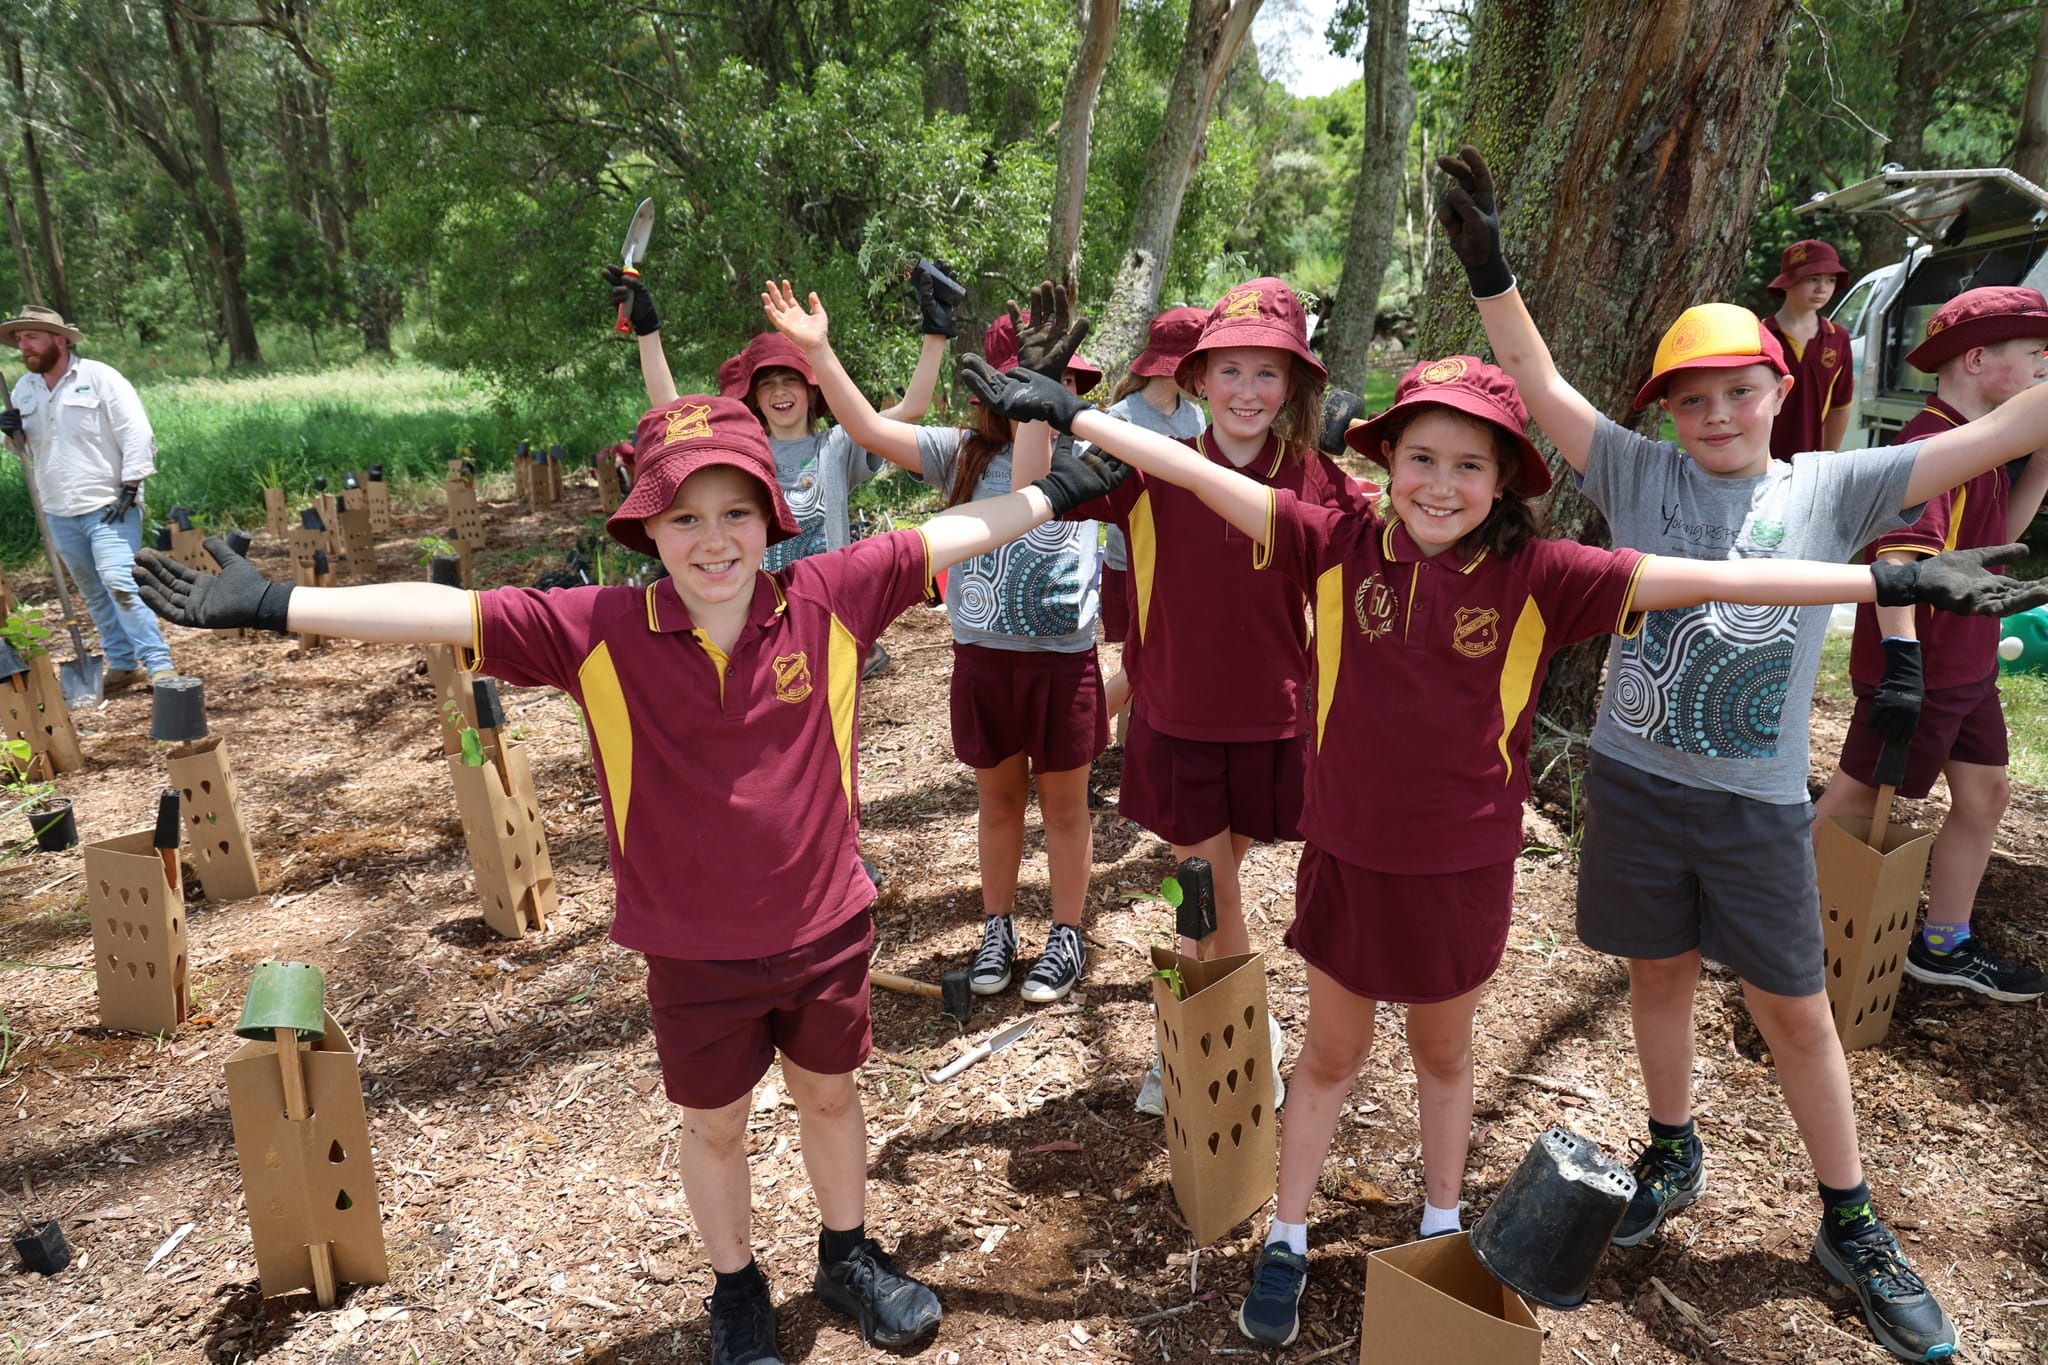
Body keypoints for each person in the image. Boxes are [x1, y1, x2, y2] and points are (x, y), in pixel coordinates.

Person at [958, 347, 2039, 1352]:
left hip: (1461, 874)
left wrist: (1887, 585)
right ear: (1382, 466)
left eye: (1466, 465)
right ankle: (1284, 1236)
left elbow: (1712, 578)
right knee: (1330, 1058)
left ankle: (1441, 1229)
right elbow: (1195, 478)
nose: (1438, 484)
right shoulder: (1329, 543)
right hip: (1345, 859)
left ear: (1504, 481)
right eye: (1418, 459)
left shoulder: (1546, 577)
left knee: (1440, 1056)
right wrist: (1073, 412)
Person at [132, 392, 1133, 1365]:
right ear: (646, 529)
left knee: (830, 1100)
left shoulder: (828, 596)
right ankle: (736, 1287)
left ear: (768, 518)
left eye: (734, 512)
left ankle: (846, 1254)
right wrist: (277, 603)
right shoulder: (601, 630)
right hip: (692, 950)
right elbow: (448, 611)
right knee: (715, 1126)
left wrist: (1057, 490)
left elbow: (952, 533)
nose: (712, 540)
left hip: (825, 930)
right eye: (683, 517)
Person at [1438, 144, 2048, 1363]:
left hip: (1757, 807)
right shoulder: (1632, 468)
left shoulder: (1835, 486)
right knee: (1655, 976)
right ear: (1664, 408)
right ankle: (1670, 1145)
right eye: (1691, 396)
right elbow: (1533, 378)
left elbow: (2006, 430)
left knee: (1795, 1010)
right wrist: (1491, 269)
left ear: (1779, 390)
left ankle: (1849, 1218)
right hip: (1633, 784)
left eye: (1739, 391)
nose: (1716, 415)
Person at [762, 278, 1107, 1005]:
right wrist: (819, 353)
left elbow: (1036, 486)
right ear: (987, 391)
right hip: (985, 661)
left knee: (1067, 808)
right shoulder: (959, 454)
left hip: (1062, 661)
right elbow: (865, 429)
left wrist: (1046, 398)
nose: (1037, 398)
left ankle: (1067, 931)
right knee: (1000, 803)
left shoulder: (1090, 454)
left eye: (1054, 381)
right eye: (1022, 383)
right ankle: (999, 925)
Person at [1813, 286, 2048, 1002]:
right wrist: (1904, 668)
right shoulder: (1929, 447)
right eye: (2037, 355)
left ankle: (1943, 943)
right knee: (1854, 800)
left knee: (1985, 792)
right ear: (1979, 359)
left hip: (1968, 664)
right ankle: (1753, 919)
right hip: (1922, 669)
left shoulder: (1984, 446)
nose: (2046, 368)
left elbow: (1999, 530)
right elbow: (1901, 564)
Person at [0, 304, 174, 688]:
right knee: (93, 592)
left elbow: (136, 432)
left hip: (110, 505)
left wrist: (131, 487)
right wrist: (11, 431)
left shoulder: (100, 378)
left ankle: (159, 662)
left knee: (118, 580)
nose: (23, 346)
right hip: (58, 510)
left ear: (59, 340)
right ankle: (124, 663)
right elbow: (24, 448)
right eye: (19, 339)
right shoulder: (23, 388)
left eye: (31, 337)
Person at [1763, 239, 1855, 461]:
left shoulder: (1838, 338)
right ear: (1787, 282)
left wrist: (1827, 460)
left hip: (1811, 464)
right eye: (1812, 279)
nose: (1822, 288)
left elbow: (1840, 407)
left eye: (1830, 280)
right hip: (1758, 464)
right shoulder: (1759, 334)